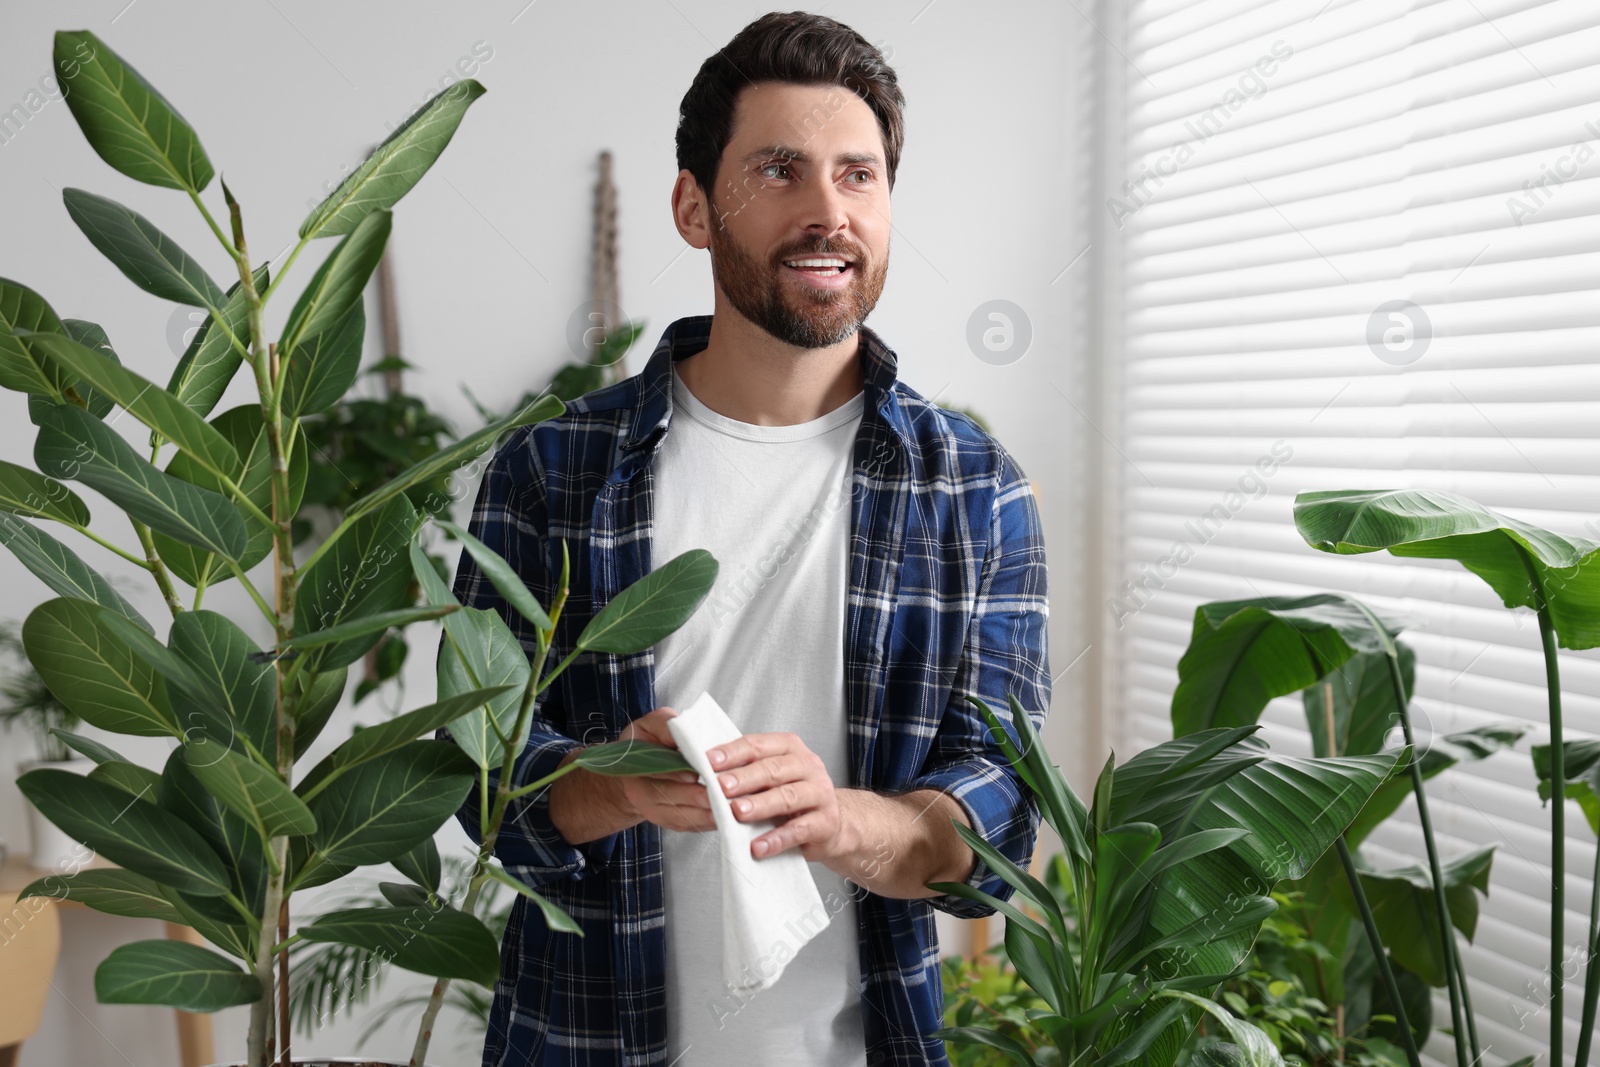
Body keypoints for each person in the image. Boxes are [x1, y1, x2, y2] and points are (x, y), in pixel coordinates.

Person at [446, 11, 1051, 1066]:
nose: (828, 212)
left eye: (857, 175)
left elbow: (993, 832)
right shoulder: (552, 470)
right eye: (780, 170)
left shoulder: (970, 484)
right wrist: (612, 782)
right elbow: (477, 787)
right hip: (583, 1039)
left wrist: (839, 819)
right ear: (694, 206)